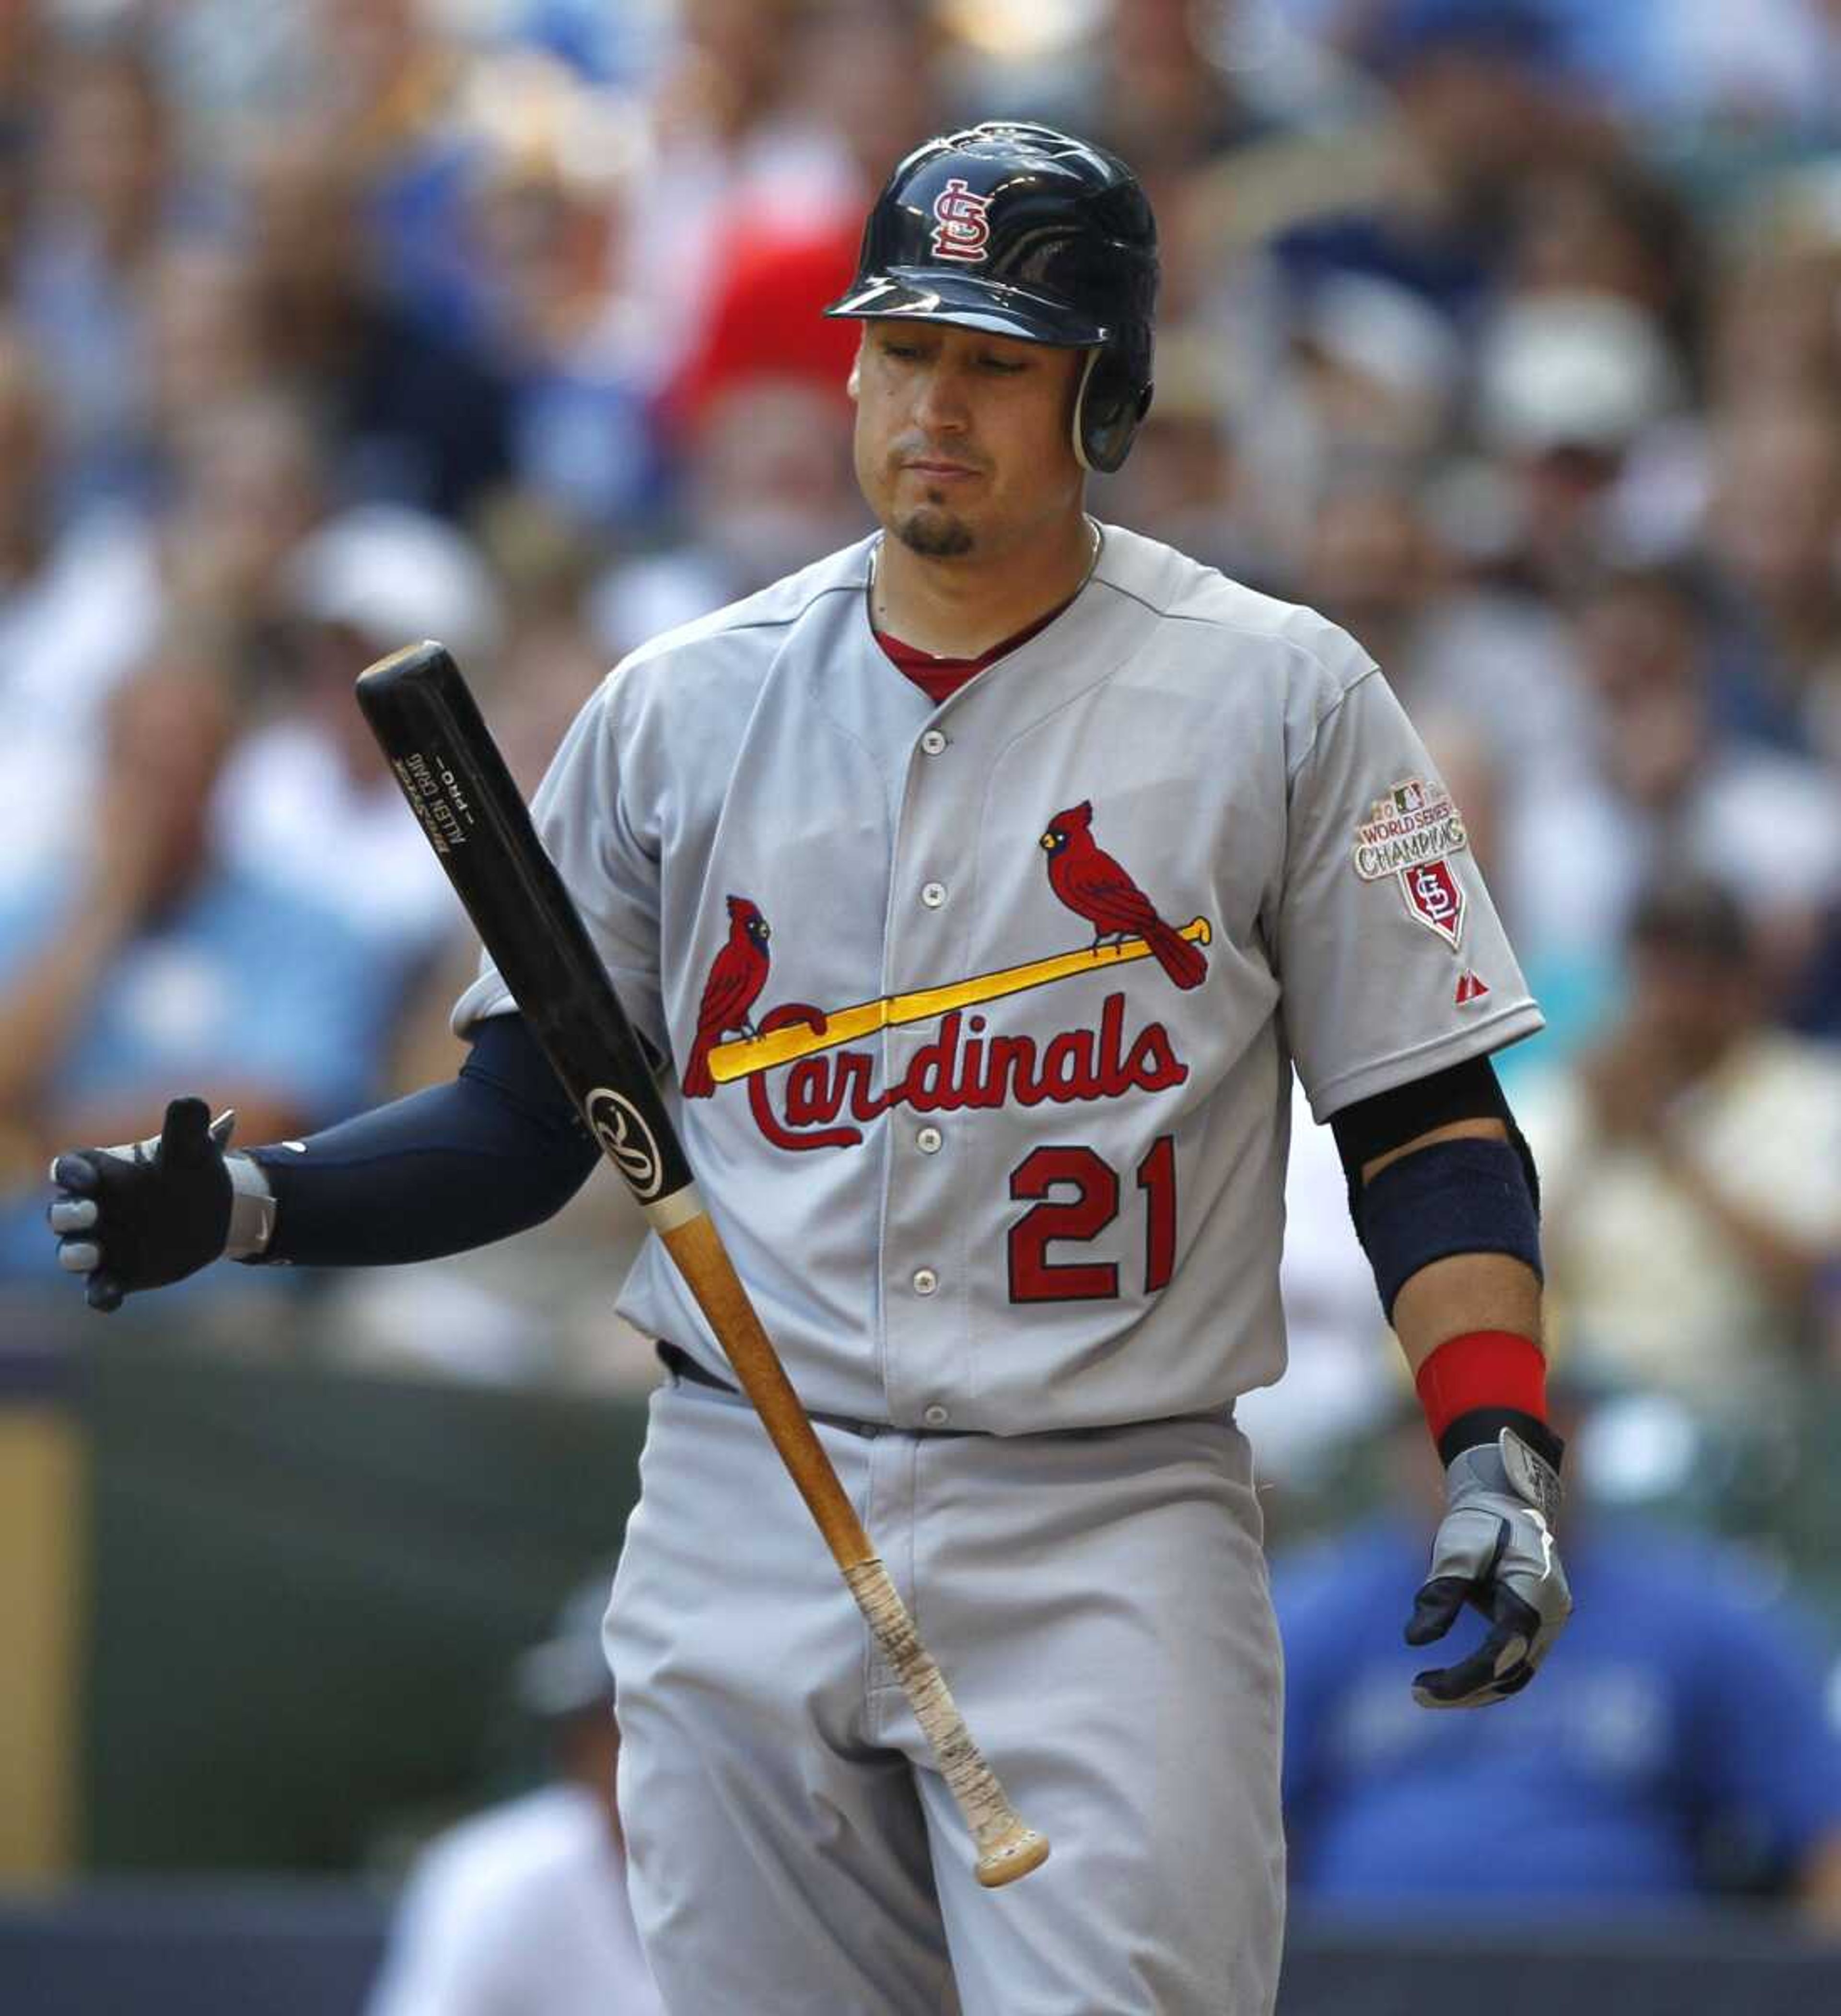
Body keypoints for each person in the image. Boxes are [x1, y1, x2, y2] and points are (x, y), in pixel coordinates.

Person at [46, 123, 1572, 2016]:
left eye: (997, 361)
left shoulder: (1280, 694)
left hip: (1104, 1516)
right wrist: (267, 1202)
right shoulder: (681, 704)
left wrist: (1496, 1445)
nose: (935, 403)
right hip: (741, 1489)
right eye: (905, 347)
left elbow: (1427, 1115)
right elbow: (536, 1120)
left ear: (1103, 393)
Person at [1278, 1389, 1841, 1926]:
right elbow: (1226, 1837)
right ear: (1400, 1445)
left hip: (1632, 1986)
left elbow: (1825, 1833)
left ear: (1576, 1430)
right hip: (1364, 1984)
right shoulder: (1316, 1617)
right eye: (1449, 1422)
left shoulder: (1697, 1617)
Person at [366, 1575, 664, 2016]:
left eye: (625, 1718)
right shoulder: (497, 1875)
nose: (589, 1749)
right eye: (591, 1725)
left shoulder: (773, 1861)